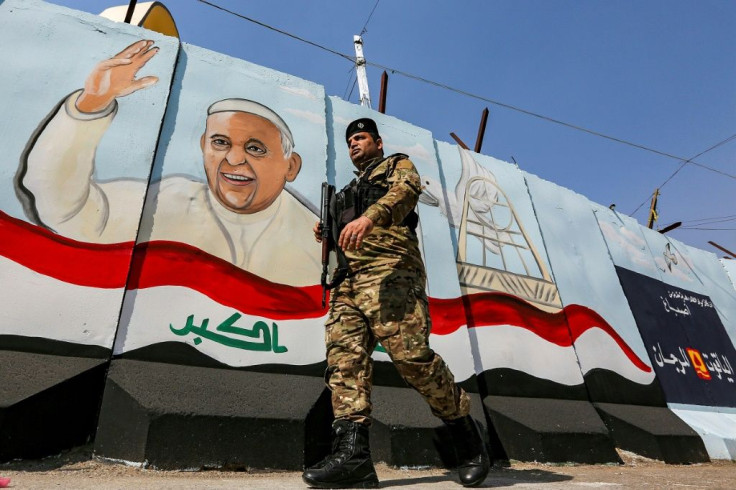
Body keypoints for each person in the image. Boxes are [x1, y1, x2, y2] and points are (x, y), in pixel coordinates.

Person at [16, 40, 319, 287]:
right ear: (204, 147)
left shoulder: (315, 236)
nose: (234, 159)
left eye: (255, 148)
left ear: (290, 166)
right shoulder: (168, 200)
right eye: (220, 143)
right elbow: (62, 207)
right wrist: (92, 104)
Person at [303, 118, 489, 488]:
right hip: (347, 282)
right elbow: (339, 239)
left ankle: (466, 437)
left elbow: (405, 192)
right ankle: (353, 458)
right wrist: (328, 232)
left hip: (391, 275)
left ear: (378, 142)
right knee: (345, 364)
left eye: (360, 137)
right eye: (350, 140)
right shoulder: (345, 192)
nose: (354, 143)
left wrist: (369, 217)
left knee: (412, 358)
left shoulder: (396, 165)